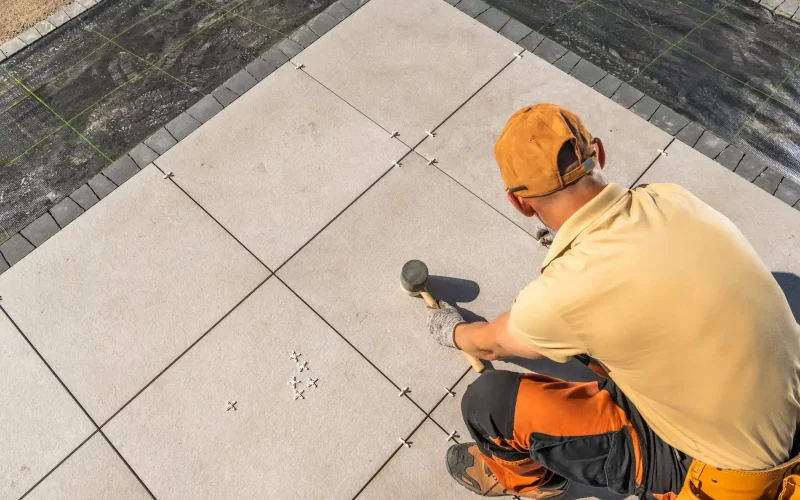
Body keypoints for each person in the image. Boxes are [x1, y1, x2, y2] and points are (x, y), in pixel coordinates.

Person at [426, 104, 800, 499]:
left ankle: (529, 480)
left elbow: (492, 343)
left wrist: (453, 330)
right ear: (599, 154)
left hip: (721, 476)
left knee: (488, 405)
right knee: (593, 337)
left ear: (518, 202)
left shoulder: (563, 293)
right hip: (790, 411)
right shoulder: (672, 199)